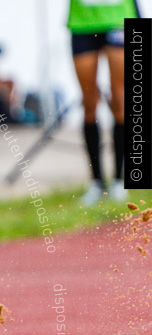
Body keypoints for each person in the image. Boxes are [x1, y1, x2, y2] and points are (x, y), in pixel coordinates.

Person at [68, 0, 138, 205]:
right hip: (82, 23)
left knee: (120, 101)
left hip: (118, 20)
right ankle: (96, 182)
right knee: (89, 104)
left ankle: (118, 180)